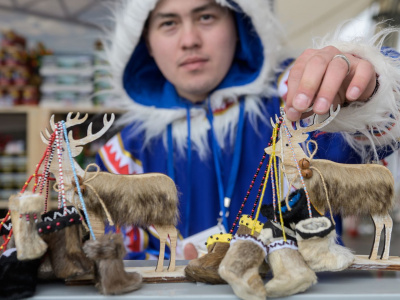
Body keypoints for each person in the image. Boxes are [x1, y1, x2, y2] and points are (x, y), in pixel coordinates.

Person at [96, 0, 400, 260]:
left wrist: (368, 91)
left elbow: (377, 135)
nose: (189, 40)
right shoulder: (125, 151)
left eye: (206, 17)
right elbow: (119, 259)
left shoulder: (296, 97)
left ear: (238, 24)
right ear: (146, 40)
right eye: (168, 23)